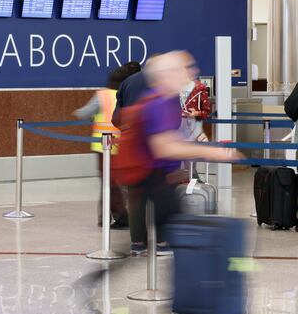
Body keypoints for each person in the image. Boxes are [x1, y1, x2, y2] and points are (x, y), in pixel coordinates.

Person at [128, 52, 241, 254]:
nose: (190, 72)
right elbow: (164, 147)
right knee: (181, 237)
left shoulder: (168, 100)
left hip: (161, 177)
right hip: (152, 179)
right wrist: (213, 153)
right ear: (166, 75)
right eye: (183, 68)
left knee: (179, 237)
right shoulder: (158, 103)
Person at [74, 66, 132, 228]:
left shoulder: (102, 96)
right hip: (123, 145)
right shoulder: (127, 95)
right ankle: (109, 215)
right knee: (118, 183)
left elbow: (83, 113)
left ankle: (119, 215)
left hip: (104, 147)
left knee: (109, 182)